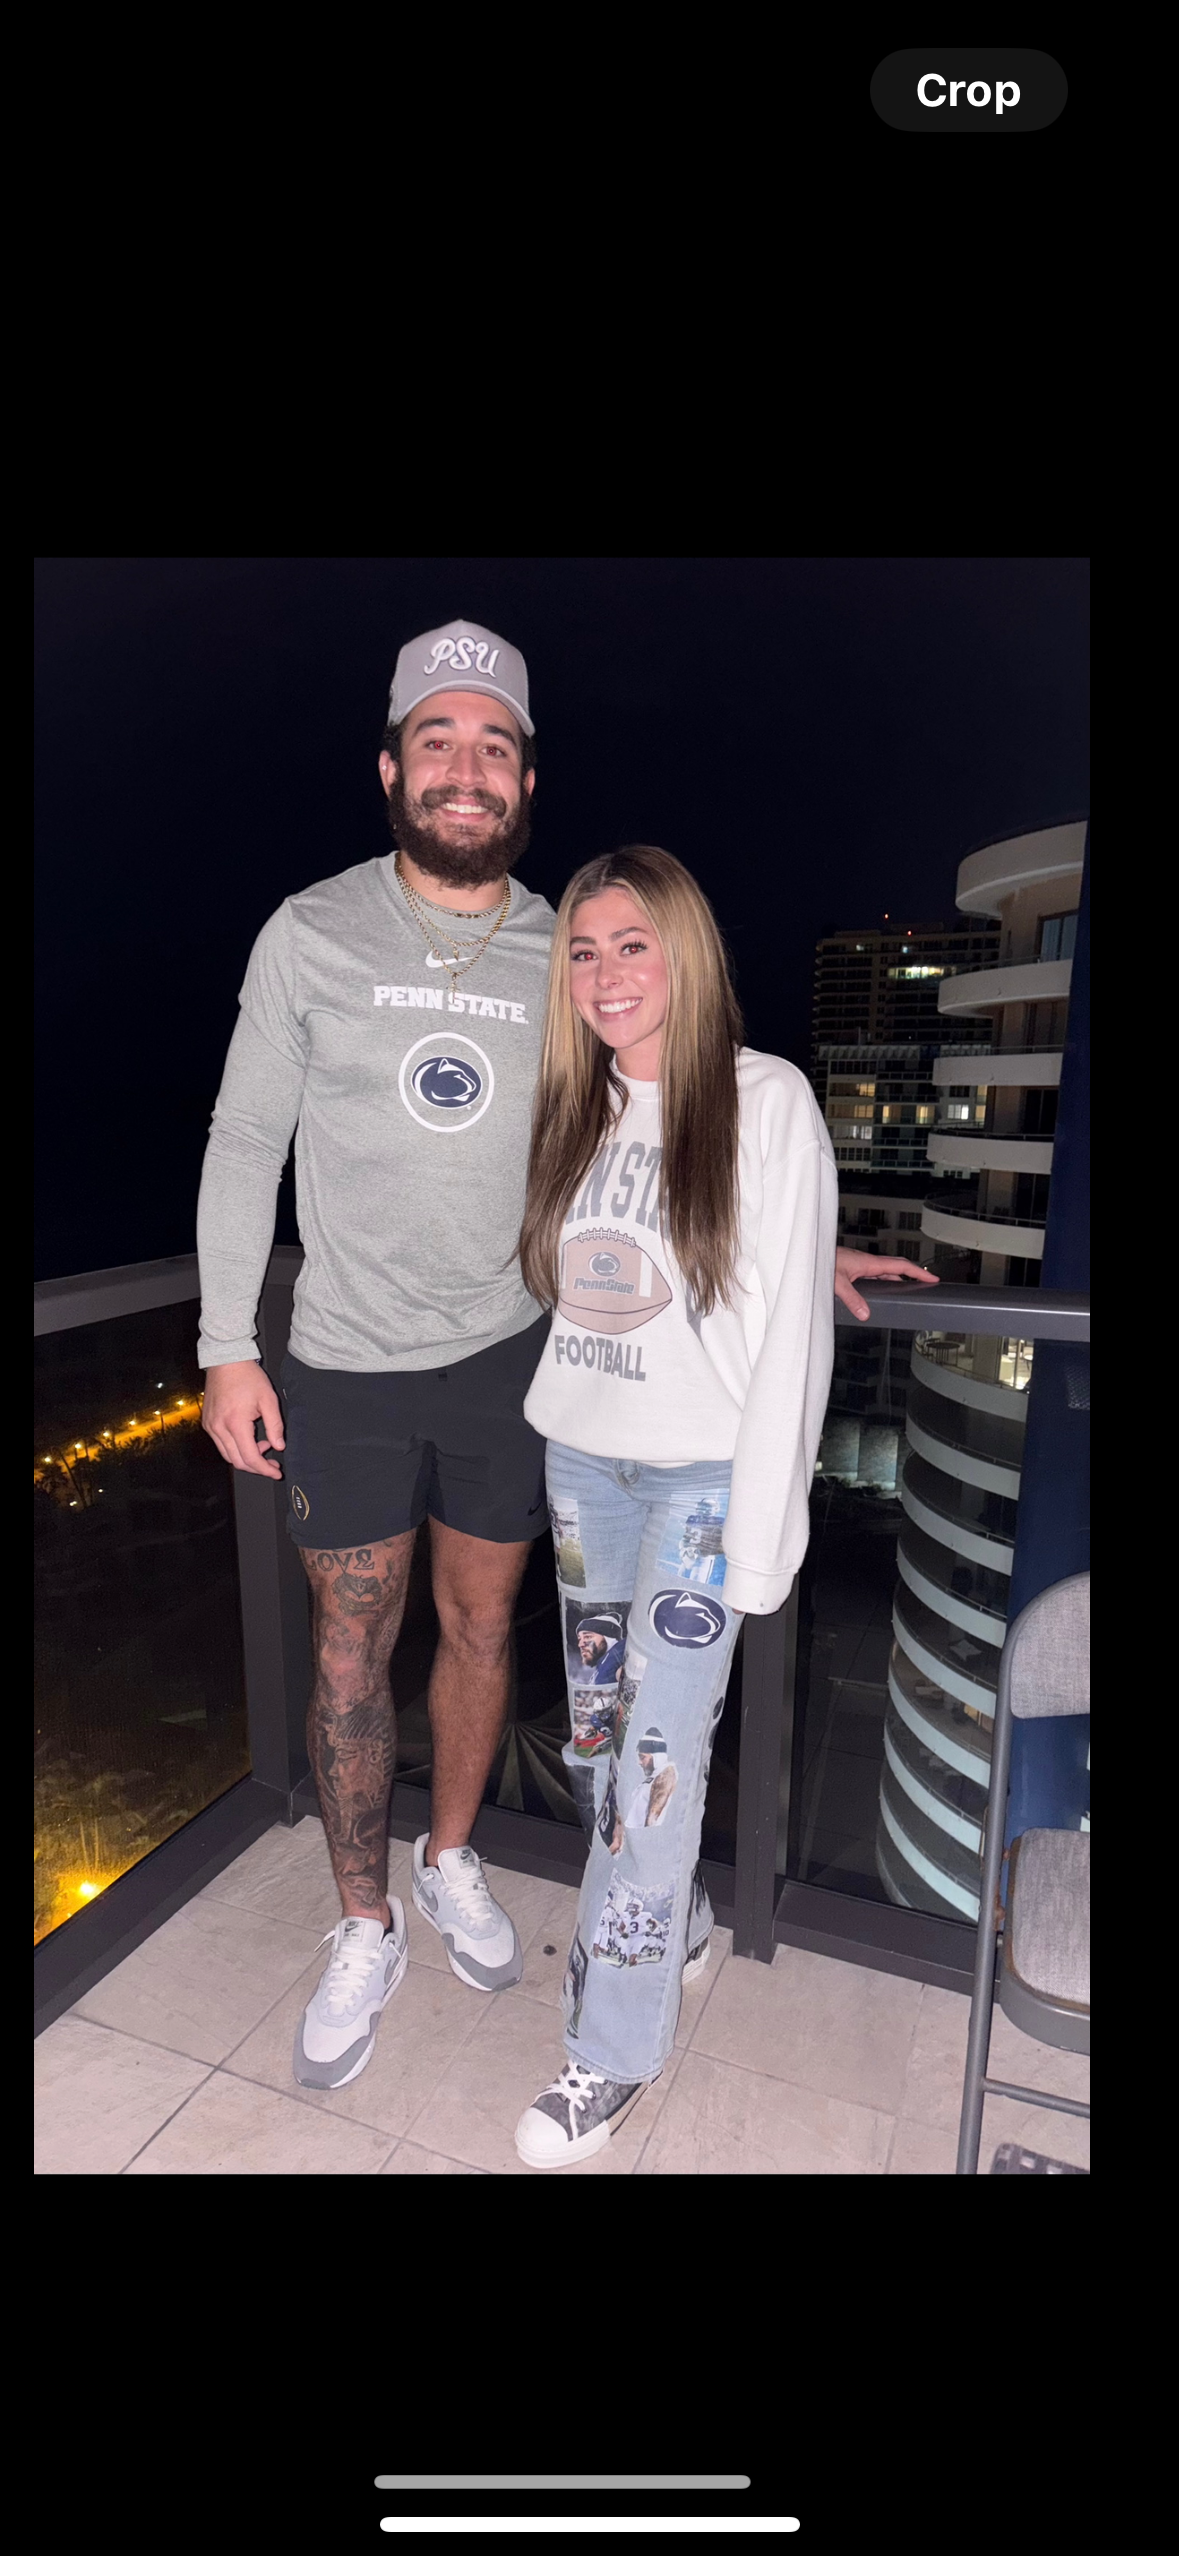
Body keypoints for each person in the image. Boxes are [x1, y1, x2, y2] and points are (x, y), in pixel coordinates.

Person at [196, 616, 936, 2099]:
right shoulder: (307, 932)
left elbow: (675, 1124)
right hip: (340, 1358)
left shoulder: (562, 947)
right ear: (391, 767)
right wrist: (227, 1341)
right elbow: (242, 1141)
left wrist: (803, 1243)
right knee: (349, 1649)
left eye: (494, 746)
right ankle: (363, 1926)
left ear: (527, 778)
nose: (464, 770)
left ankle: (453, 1858)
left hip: (510, 1363)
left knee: (484, 1634)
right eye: (438, 742)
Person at [511, 844, 838, 2168]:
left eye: (631, 945)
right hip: (583, 1473)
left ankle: (610, 2050)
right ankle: (680, 1926)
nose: (605, 975)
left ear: (684, 953)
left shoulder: (766, 1103)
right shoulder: (571, 1107)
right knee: (600, 1746)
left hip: (703, 1492)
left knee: (653, 1776)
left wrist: (760, 1546)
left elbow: (791, 1332)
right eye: (583, 952)